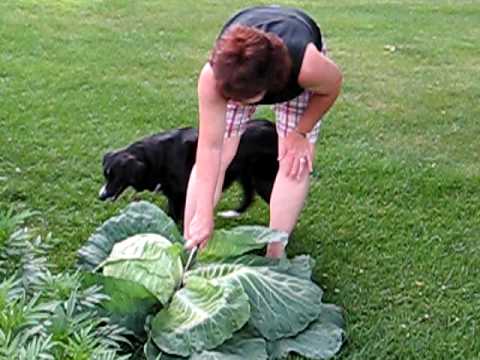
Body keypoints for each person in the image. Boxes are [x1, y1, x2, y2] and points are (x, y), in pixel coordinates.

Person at [183, 5, 342, 258]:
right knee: (220, 153)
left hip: (290, 65)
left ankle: (275, 254)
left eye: (242, 99)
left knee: (293, 160)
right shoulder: (214, 77)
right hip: (241, 71)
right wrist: (203, 214)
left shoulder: (308, 66)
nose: (233, 103)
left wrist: (301, 133)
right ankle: (190, 243)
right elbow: (209, 149)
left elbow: (332, 86)